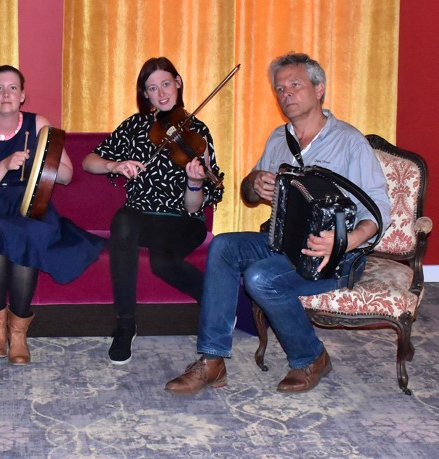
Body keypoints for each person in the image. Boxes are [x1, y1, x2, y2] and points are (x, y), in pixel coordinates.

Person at [165, 52, 392, 395]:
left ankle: (311, 357)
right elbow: (247, 193)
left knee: (261, 278)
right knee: (224, 245)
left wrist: (343, 241)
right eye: (280, 88)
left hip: (334, 255)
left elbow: (379, 210)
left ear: (319, 89)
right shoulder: (278, 139)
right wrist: (254, 183)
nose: (286, 93)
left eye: (295, 85)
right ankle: (212, 361)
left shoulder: (349, 142)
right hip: (282, 243)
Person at [0, 65, 105, 365]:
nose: (6, 94)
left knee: (27, 230)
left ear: (22, 95)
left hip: (30, 203)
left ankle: (19, 332)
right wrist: (4, 165)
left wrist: (41, 160)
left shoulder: (40, 125)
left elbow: (66, 176)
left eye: (13, 88)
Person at [82, 57, 223, 364]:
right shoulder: (135, 125)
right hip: (141, 216)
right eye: (152, 88)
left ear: (178, 83)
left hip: (182, 219)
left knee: (162, 261)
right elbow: (89, 161)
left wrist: (195, 182)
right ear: (145, 94)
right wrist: (115, 165)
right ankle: (125, 325)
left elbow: (193, 207)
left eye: (166, 84)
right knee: (123, 220)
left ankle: (216, 302)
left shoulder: (197, 132)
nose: (161, 93)